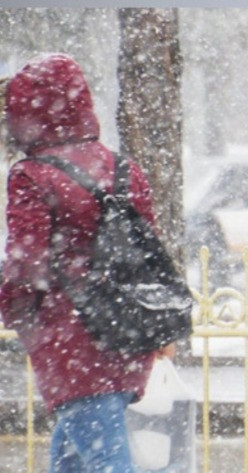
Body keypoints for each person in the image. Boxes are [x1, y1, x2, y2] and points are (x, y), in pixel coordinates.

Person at [0, 53, 172, 472]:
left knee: (104, 458)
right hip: (126, 334)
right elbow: (150, 255)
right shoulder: (124, 170)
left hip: (69, 340)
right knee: (76, 452)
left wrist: (13, 308)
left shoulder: (32, 176)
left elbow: (27, 262)